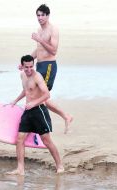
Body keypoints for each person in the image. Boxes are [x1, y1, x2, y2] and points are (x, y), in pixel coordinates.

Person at [7, 55, 64, 175]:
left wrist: (33, 103)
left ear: (33, 65)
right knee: (20, 139)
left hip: (39, 111)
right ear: (22, 66)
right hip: (28, 111)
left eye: (31, 67)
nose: (29, 70)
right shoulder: (22, 75)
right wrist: (16, 100)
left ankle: (60, 166)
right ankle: (20, 169)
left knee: (46, 141)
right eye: (26, 67)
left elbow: (47, 94)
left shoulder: (37, 77)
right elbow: (26, 90)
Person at [30, 4, 72, 134]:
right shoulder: (39, 30)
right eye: (38, 15)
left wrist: (40, 40)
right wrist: (28, 60)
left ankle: (64, 117)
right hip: (39, 65)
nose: (40, 17)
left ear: (48, 16)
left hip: (49, 66)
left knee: (42, 97)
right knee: (36, 96)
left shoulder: (53, 30)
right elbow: (39, 49)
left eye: (42, 15)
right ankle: (63, 117)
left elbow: (53, 50)